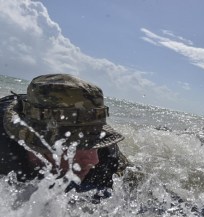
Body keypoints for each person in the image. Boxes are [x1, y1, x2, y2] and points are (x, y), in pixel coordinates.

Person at [0, 74, 130, 196]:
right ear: (39, 145)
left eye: (95, 143)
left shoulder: (107, 156)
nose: (93, 160)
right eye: (80, 145)